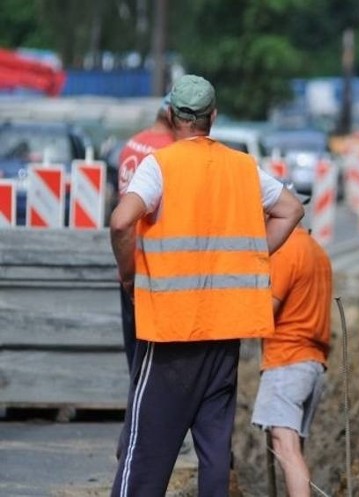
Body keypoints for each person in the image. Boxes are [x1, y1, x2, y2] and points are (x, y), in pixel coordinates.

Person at [108, 74, 305, 497]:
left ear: (173, 116)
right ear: (213, 117)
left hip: (172, 332)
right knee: (215, 450)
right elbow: (290, 209)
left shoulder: (160, 166)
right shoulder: (242, 167)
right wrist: (251, 256)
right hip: (227, 330)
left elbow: (122, 220)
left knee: (145, 448)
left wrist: (129, 274)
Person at [251, 217, 332, 497]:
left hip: (287, 360)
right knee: (292, 445)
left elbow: (264, 309)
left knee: (284, 444)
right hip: (312, 361)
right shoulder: (315, 249)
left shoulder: (285, 250)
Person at [115, 96, 175, 372]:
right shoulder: (169, 151)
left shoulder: (132, 144)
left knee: (134, 355)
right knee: (156, 362)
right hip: (155, 264)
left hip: (129, 260)